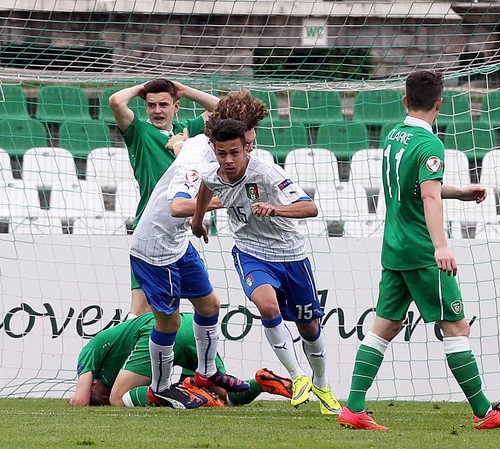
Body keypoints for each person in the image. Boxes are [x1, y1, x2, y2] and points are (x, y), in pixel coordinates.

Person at [337, 70, 500, 431]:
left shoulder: (395, 135)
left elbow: (415, 187)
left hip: (394, 248)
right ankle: (483, 411)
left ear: (405, 100)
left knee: (384, 327)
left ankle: (354, 407)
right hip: (422, 252)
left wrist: (456, 191)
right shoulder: (431, 145)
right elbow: (426, 195)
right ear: (440, 103)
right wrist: (441, 246)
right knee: (456, 327)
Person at [191, 119, 341, 416]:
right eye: (222, 154)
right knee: (267, 307)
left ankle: (321, 385)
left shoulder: (268, 172)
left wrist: (277, 208)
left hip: (290, 254)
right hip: (250, 252)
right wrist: (197, 220)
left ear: (246, 149)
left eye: (234, 152)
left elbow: (310, 208)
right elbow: (205, 188)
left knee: (309, 325)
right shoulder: (211, 171)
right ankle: (298, 376)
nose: (228, 160)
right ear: (215, 151)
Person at [129, 121, 249, 409]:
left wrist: (177, 142)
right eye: (246, 141)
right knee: (169, 322)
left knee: (210, 306)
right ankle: (160, 388)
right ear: (218, 147)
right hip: (155, 250)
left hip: (178, 243)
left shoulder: (198, 142)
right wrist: (224, 201)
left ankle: (207, 373)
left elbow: (179, 146)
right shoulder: (195, 167)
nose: (248, 148)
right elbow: (178, 206)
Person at [109, 78, 220, 319]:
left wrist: (185, 90)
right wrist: (141, 88)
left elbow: (223, 109)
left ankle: (194, 356)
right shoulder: (139, 132)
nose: (157, 110)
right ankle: (117, 353)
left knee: (203, 306)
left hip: (177, 233)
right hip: (150, 231)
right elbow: (116, 101)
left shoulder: (187, 130)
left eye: (163, 104)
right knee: (141, 310)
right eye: (151, 105)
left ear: (176, 106)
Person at [69, 312, 292, 407]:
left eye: (95, 395)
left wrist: (75, 399)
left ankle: (187, 390)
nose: (99, 398)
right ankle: (261, 382)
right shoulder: (118, 364)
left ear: (93, 382)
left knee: (119, 399)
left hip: (160, 332)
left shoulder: (89, 351)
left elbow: (80, 401)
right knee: (227, 398)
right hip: (191, 327)